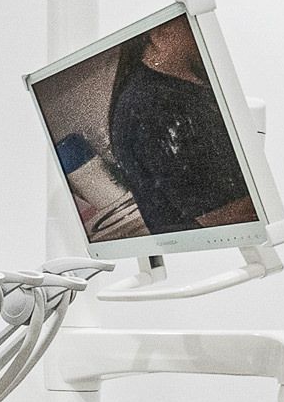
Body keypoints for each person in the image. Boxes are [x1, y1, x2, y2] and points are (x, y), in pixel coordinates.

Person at [102, 15, 254, 236]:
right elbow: (230, 222)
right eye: (193, 22)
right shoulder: (157, 109)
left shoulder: (170, 87)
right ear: (160, 30)